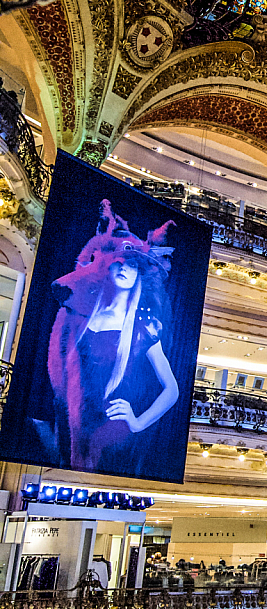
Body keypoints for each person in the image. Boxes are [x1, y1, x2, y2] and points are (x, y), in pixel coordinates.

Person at [45, 199, 179, 473]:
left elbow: (172, 389)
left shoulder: (143, 330)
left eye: (131, 264)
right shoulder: (76, 314)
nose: (123, 266)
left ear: (139, 275)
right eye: (117, 260)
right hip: (69, 424)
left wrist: (138, 422)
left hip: (109, 437)